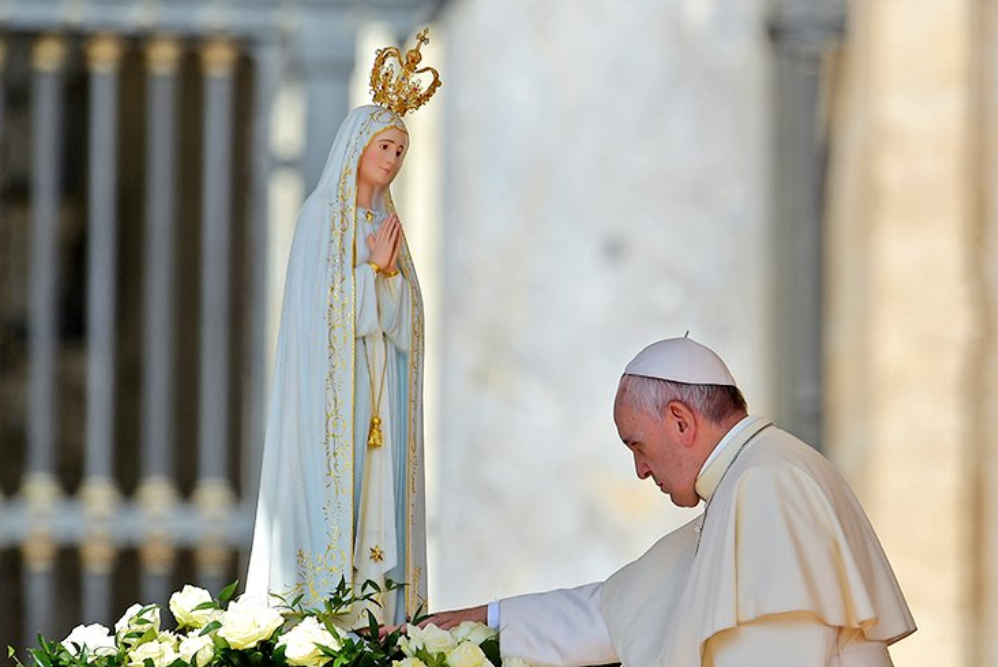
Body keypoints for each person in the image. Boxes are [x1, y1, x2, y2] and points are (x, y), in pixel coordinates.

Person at [428, 335, 916, 666]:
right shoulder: (752, 476)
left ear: (681, 421)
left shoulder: (767, 486)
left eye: (637, 445)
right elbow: (619, 607)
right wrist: (482, 622)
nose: (640, 470)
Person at [245, 30, 441, 625]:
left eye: (401, 151)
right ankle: (329, 611)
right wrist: (370, 275)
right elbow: (317, 316)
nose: (393, 160)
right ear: (356, 145)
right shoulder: (317, 220)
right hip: (337, 399)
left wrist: (387, 279)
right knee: (343, 498)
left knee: (380, 497)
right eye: (385, 146)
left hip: (380, 384)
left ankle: (377, 609)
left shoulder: (388, 226)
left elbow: (409, 322)